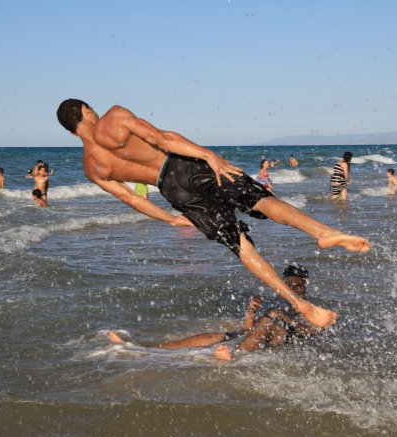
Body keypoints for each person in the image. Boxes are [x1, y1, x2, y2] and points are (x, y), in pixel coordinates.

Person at [56, 99, 371, 328]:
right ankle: (323, 233)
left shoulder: (91, 167)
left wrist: (170, 218)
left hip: (171, 190)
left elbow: (132, 199)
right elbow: (163, 139)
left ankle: (300, 305)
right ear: (86, 110)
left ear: (72, 132)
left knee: (239, 244)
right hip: (184, 166)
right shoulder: (113, 116)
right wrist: (210, 157)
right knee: (258, 199)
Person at [108, 264, 321, 360]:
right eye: (289, 285)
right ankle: (143, 349)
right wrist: (250, 312)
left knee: (266, 323)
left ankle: (234, 355)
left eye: (298, 286)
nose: (294, 289)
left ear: (305, 286)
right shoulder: (278, 302)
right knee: (210, 336)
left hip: (272, 338)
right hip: (250, 335)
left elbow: (312, 332)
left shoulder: (311, 308)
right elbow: (248, 328)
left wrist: (283, 318)